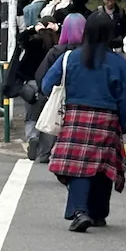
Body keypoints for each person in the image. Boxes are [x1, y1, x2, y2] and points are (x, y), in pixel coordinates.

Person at [39, 11, 126, 230]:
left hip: (75, 115)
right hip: (107, 119)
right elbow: (125, 97)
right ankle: (98, 213)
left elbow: (46, 85)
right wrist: (124, 124)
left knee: (78, 166)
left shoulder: (70, 57)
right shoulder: (119, 63)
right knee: (102, 166)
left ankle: (79, 211)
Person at [34, 12, 83, 163]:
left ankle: (44, 152)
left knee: (51, 122)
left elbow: (42, 78)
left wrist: (48, 92)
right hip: (84, 101)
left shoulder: (57, 51)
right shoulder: (92, 53)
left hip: (60, 97)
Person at [7, 10, 54, 159]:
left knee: (32, 116)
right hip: (52, 86)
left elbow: (20, 38)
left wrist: (33, 28)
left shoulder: (33, 42)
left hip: (31, 84)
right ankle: (45, 152)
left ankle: (33, 138)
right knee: (49, 119)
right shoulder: (57, 44)